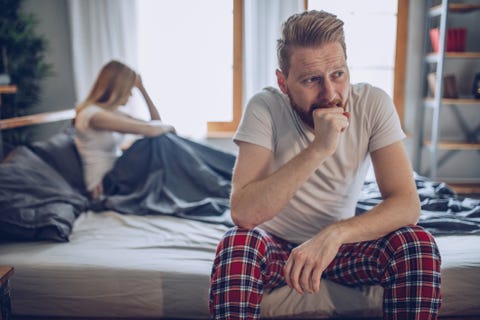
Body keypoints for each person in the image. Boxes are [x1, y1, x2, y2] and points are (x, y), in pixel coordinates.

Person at [209, 10, 441, 320]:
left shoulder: (372, 104)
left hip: (343, 249)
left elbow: (406, 204)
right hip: (278, 249)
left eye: (338, 74)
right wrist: (320, 147)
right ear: (283, 82)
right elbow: (244, 213)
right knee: (236, 244)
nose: (330, 94)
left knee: (417, 243)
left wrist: (333, 235)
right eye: (311, 80)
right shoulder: (264, 107)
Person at [74, 60, 175, 199]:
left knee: (160, 142)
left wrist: (142, 89)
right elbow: (151, 130)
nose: (131, 95)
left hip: (118, 176)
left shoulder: (112, 112)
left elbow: (156, 123)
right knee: (154, 143)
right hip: (103, 185)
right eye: (130, 89)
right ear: (118, 88)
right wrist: (171, 127)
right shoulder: (92, 115)